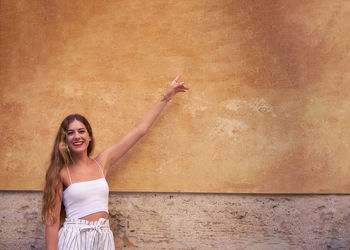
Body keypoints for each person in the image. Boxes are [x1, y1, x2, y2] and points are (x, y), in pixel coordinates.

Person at [41, 75, 189, 250]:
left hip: (102, 238)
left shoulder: (102, 162)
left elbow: (139, 130)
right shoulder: (60, 172)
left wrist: (167, 96)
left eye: (81, 131)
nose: (77, 136)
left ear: (89, 136)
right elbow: (52, 221)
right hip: (74, 238)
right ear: (64, 139)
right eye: (71, 133)